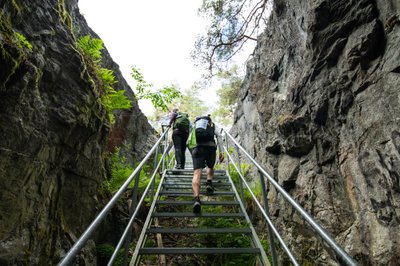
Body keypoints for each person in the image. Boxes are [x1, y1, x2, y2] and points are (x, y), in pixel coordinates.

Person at [191, 114, 224, 213]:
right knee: (210, 166)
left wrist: (193, 151)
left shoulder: (195, 125)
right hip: (211, 148)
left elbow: (190, 139)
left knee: (197, 173)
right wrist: (221, 151)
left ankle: (196, 199)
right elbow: (219, 136)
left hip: (198, 149)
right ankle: (209, 183)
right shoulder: (212, 125)